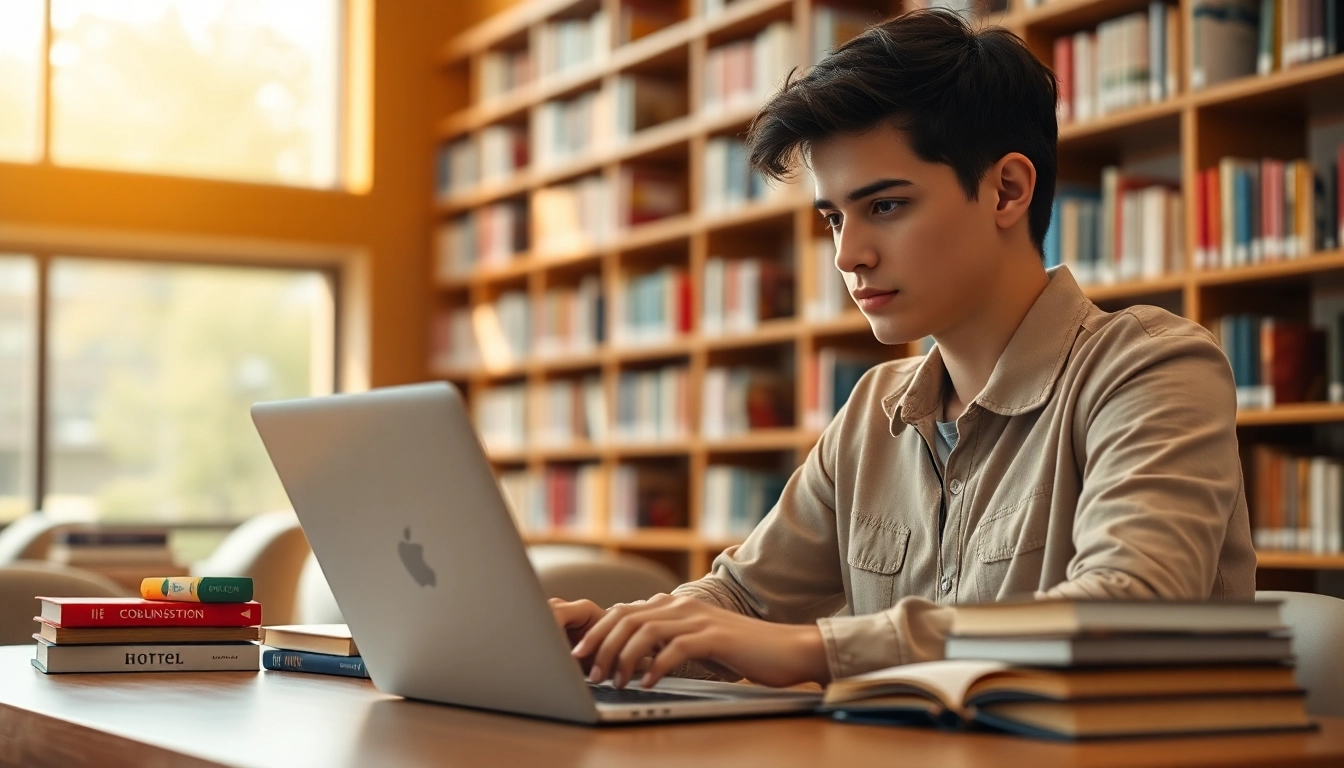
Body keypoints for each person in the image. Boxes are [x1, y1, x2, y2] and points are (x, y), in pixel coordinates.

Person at [550, 8, 1254, 690]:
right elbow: (744, 601)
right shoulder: (873, 409)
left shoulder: (1153, 368)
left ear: (1007, 190)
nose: (848, 256)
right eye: (833, 217)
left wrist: (812, 650)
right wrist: (620, 633)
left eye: (884, 206)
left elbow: (1131, 611)